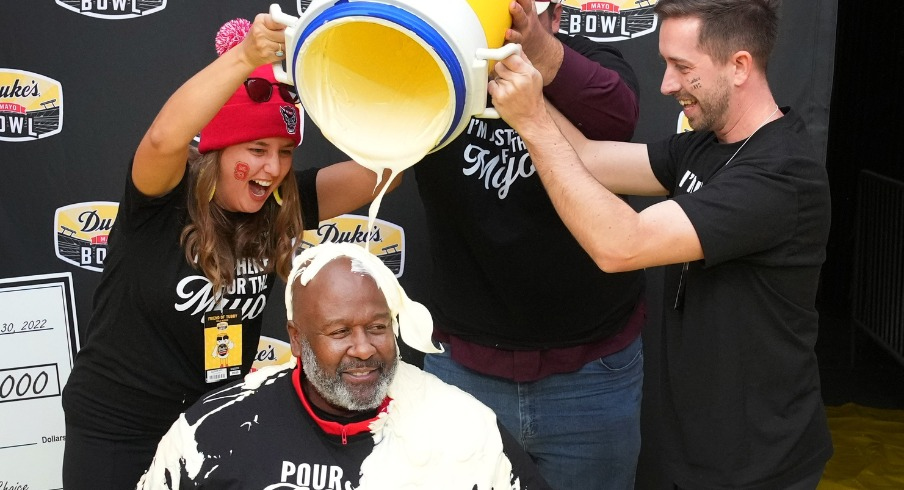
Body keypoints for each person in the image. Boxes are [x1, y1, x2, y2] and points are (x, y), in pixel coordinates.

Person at [489, 0, 833, 488]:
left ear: (739, 66)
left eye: (682, 67)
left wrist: (531, 121)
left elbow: (620, 245)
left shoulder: (781, 173)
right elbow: (587, 158)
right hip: (687, 448)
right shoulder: (707, 143)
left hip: (757, 462)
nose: (666, 84)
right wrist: (523, 88)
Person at [61, 14, 397, 490]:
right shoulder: (162, 200)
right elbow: (162, 139)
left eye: (284, 151)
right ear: (217, 150)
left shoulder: (283, 202)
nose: (273, 167)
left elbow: (387, 171)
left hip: (214, 427)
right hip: (119, 429)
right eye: (256, 149)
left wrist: (368, 78)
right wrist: (246, 58)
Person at [414, 1, 646, 488]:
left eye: (519, 12)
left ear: (556, 18)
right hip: (465, 367)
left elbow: (618, 115)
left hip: (590, 375)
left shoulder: (594, 64)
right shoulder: (432, 67)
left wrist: (532, 47)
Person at [136, 243, 552, 490]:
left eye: (377, 327)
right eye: (340, 332)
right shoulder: (212, 429)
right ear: (297, 339)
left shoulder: (464, 426)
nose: (364, 349)